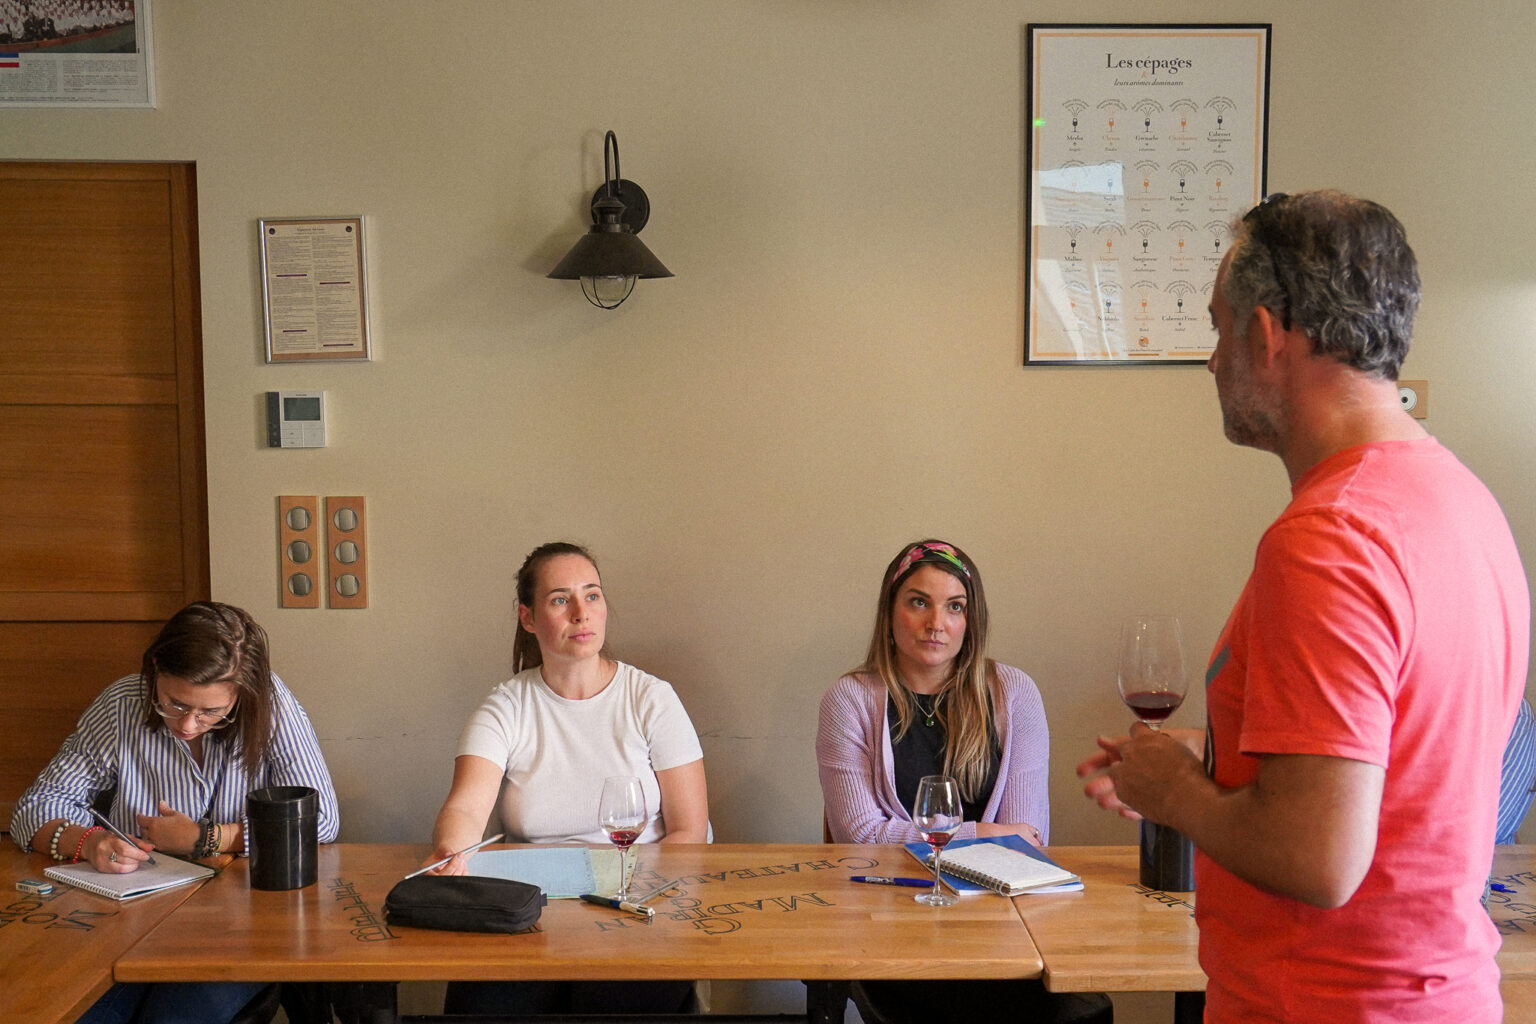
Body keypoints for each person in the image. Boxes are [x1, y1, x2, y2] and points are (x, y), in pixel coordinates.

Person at [1078, 190, 1529, 1023]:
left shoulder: (1328, 539)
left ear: (1264, 334)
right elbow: (1391, 767)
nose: (1212, 361)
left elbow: (1316, 857)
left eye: (1218, 330)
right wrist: (1221, 757)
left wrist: (1175, 793)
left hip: (1325, 1003)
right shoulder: (1463, 504)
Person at [817, 540, 1109, 1024]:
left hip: (1002, 924)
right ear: (889, 614)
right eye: (919, 602)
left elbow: (1027, 841)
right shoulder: (849, 699)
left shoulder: (1015, 693)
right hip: (892, 922)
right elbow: (860, 837)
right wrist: (982, 833)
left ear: (971, 621)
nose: (937, 623)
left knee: (1083, 1011)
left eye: (955, 607)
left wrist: (949, 840)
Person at [10, 601, 340, 1024]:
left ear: (241, 695)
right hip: (129, 918)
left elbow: (322, 820)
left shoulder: (270, 706)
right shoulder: (122, 705)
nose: (187, 725)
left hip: (240, 922)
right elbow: (35, 806)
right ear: (155, 671)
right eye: (175, 703)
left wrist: (206, 838)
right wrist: (89, 842)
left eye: (211, 712)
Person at [426, 540, 708, 1015]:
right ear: (528, 618)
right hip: (533, 910)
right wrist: (451, 849)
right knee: (479, 1005)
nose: (582, 612)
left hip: (636, 907)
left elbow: (691, 830)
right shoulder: (506, 705)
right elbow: (465, 808)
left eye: (592, 595)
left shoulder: (652, 698)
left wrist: (625, 894)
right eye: (560, 599)